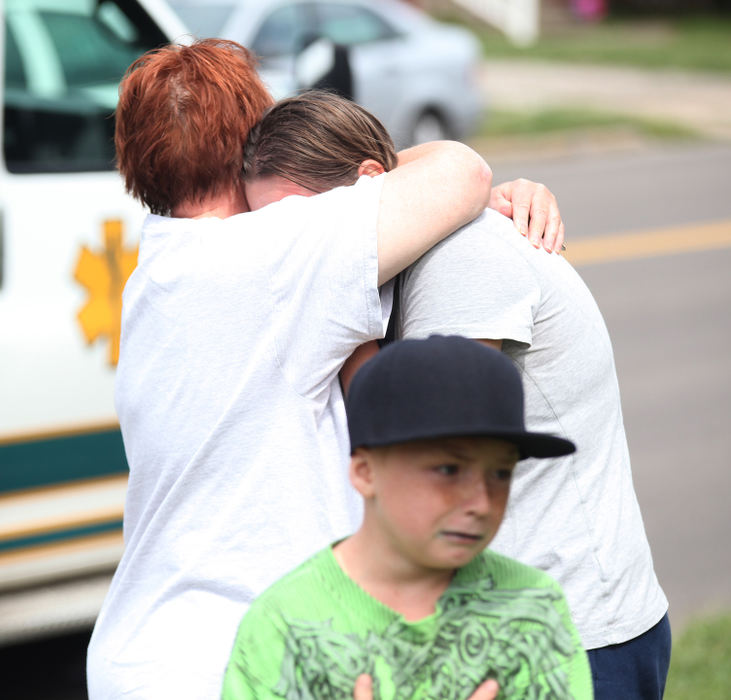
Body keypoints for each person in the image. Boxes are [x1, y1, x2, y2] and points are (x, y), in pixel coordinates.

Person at [87, 40, 565, 699]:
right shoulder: (270, 254)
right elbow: (459, 173)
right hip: (236, 659)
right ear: (245, 145)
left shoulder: (159, 272)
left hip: (140, 650)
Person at [241, 91, 670, 699]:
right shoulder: (405, 250)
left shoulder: (460, 257)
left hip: (568, 636)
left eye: (302, 225)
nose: (295, 253)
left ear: (369, 184)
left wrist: (342, 329)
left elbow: (416, 443)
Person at [222, 334, 593, 699]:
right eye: (449, 470)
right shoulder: (285, 625)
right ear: (366, 472)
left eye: (500, 473)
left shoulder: (531, 609)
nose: (480, 503)